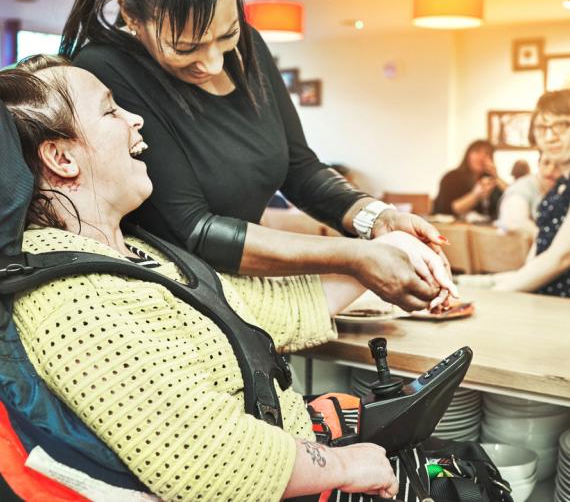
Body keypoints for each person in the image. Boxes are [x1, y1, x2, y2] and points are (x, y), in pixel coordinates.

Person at [0, 56, 408, 501]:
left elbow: (261, 308)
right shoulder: (77, 304)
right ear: (62, 157)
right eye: (111, 110)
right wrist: (348, 464)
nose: (136, 120)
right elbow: (214, 466)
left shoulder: (136, 253)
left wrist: (383, 260)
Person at [59, 0, 455, 310]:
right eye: (186, 47)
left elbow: (299, 167)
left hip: (246, 294)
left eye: (226, 35)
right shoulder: (107, 70)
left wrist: (377, 218)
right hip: (172, 301)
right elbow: (192, 229)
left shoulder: (249, 48)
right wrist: (354, 256)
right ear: (131, 16)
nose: (212, 63)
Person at [458, 90, 570, 297]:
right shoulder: (560, 185)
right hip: (546, 299)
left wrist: (497, 295)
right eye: (542, 127)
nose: (550, 136)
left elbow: (562, 257)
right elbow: (539, 258)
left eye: (562, 125)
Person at [433, 139, 508, 220]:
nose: (482, 157)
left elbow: (512, 194)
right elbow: (448, 209)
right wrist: (476, 195)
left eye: (487, 154)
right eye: (477, 152)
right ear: (467, 155)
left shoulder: (490, 180)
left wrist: (496, 177)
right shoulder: (451, 177)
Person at [497, 152, 561, 238]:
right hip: (517, 249)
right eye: (546, 163)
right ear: (538, 164)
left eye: (559, 165)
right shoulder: (521, 189)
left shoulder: (560, 190)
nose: (551, 169)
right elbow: (516, 222)